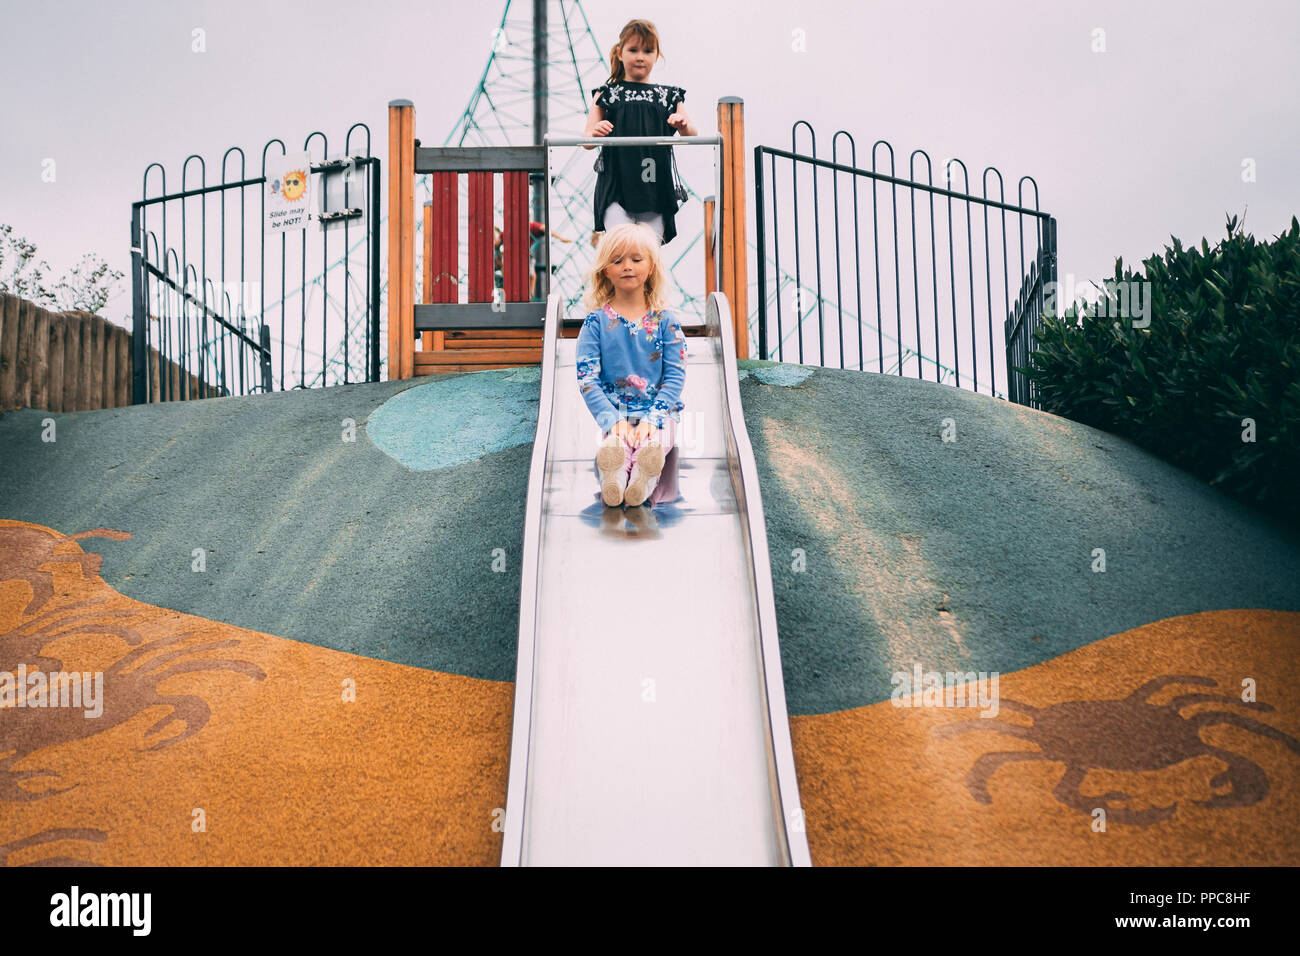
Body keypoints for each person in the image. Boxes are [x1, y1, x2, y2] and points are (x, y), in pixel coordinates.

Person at [576, 223, 687, 509]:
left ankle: (642, 478)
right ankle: (614, 477)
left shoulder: (666, 321)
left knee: (656, 442)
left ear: (650, 267)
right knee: (616, 445)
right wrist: (612, 421)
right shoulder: (595, 323)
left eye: (636, 260)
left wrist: (652, 418)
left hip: (659, 413)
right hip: (616, 413)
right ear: (605, 270)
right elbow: (587, 378)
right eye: (617, 260)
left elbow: (675, 376)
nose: (627, 266)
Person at [582, 19, 698, 246]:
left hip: (654, 185)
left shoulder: (669, 96)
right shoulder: (606, 94)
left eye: (647, 50)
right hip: (616, 185)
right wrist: (595, 133)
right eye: (633, 50)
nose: (640, 56)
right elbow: (585, 141)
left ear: (657, 55)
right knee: (621, 247)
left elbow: (692, 134)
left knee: (647, 255)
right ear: (619, 53)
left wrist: (683, 125)